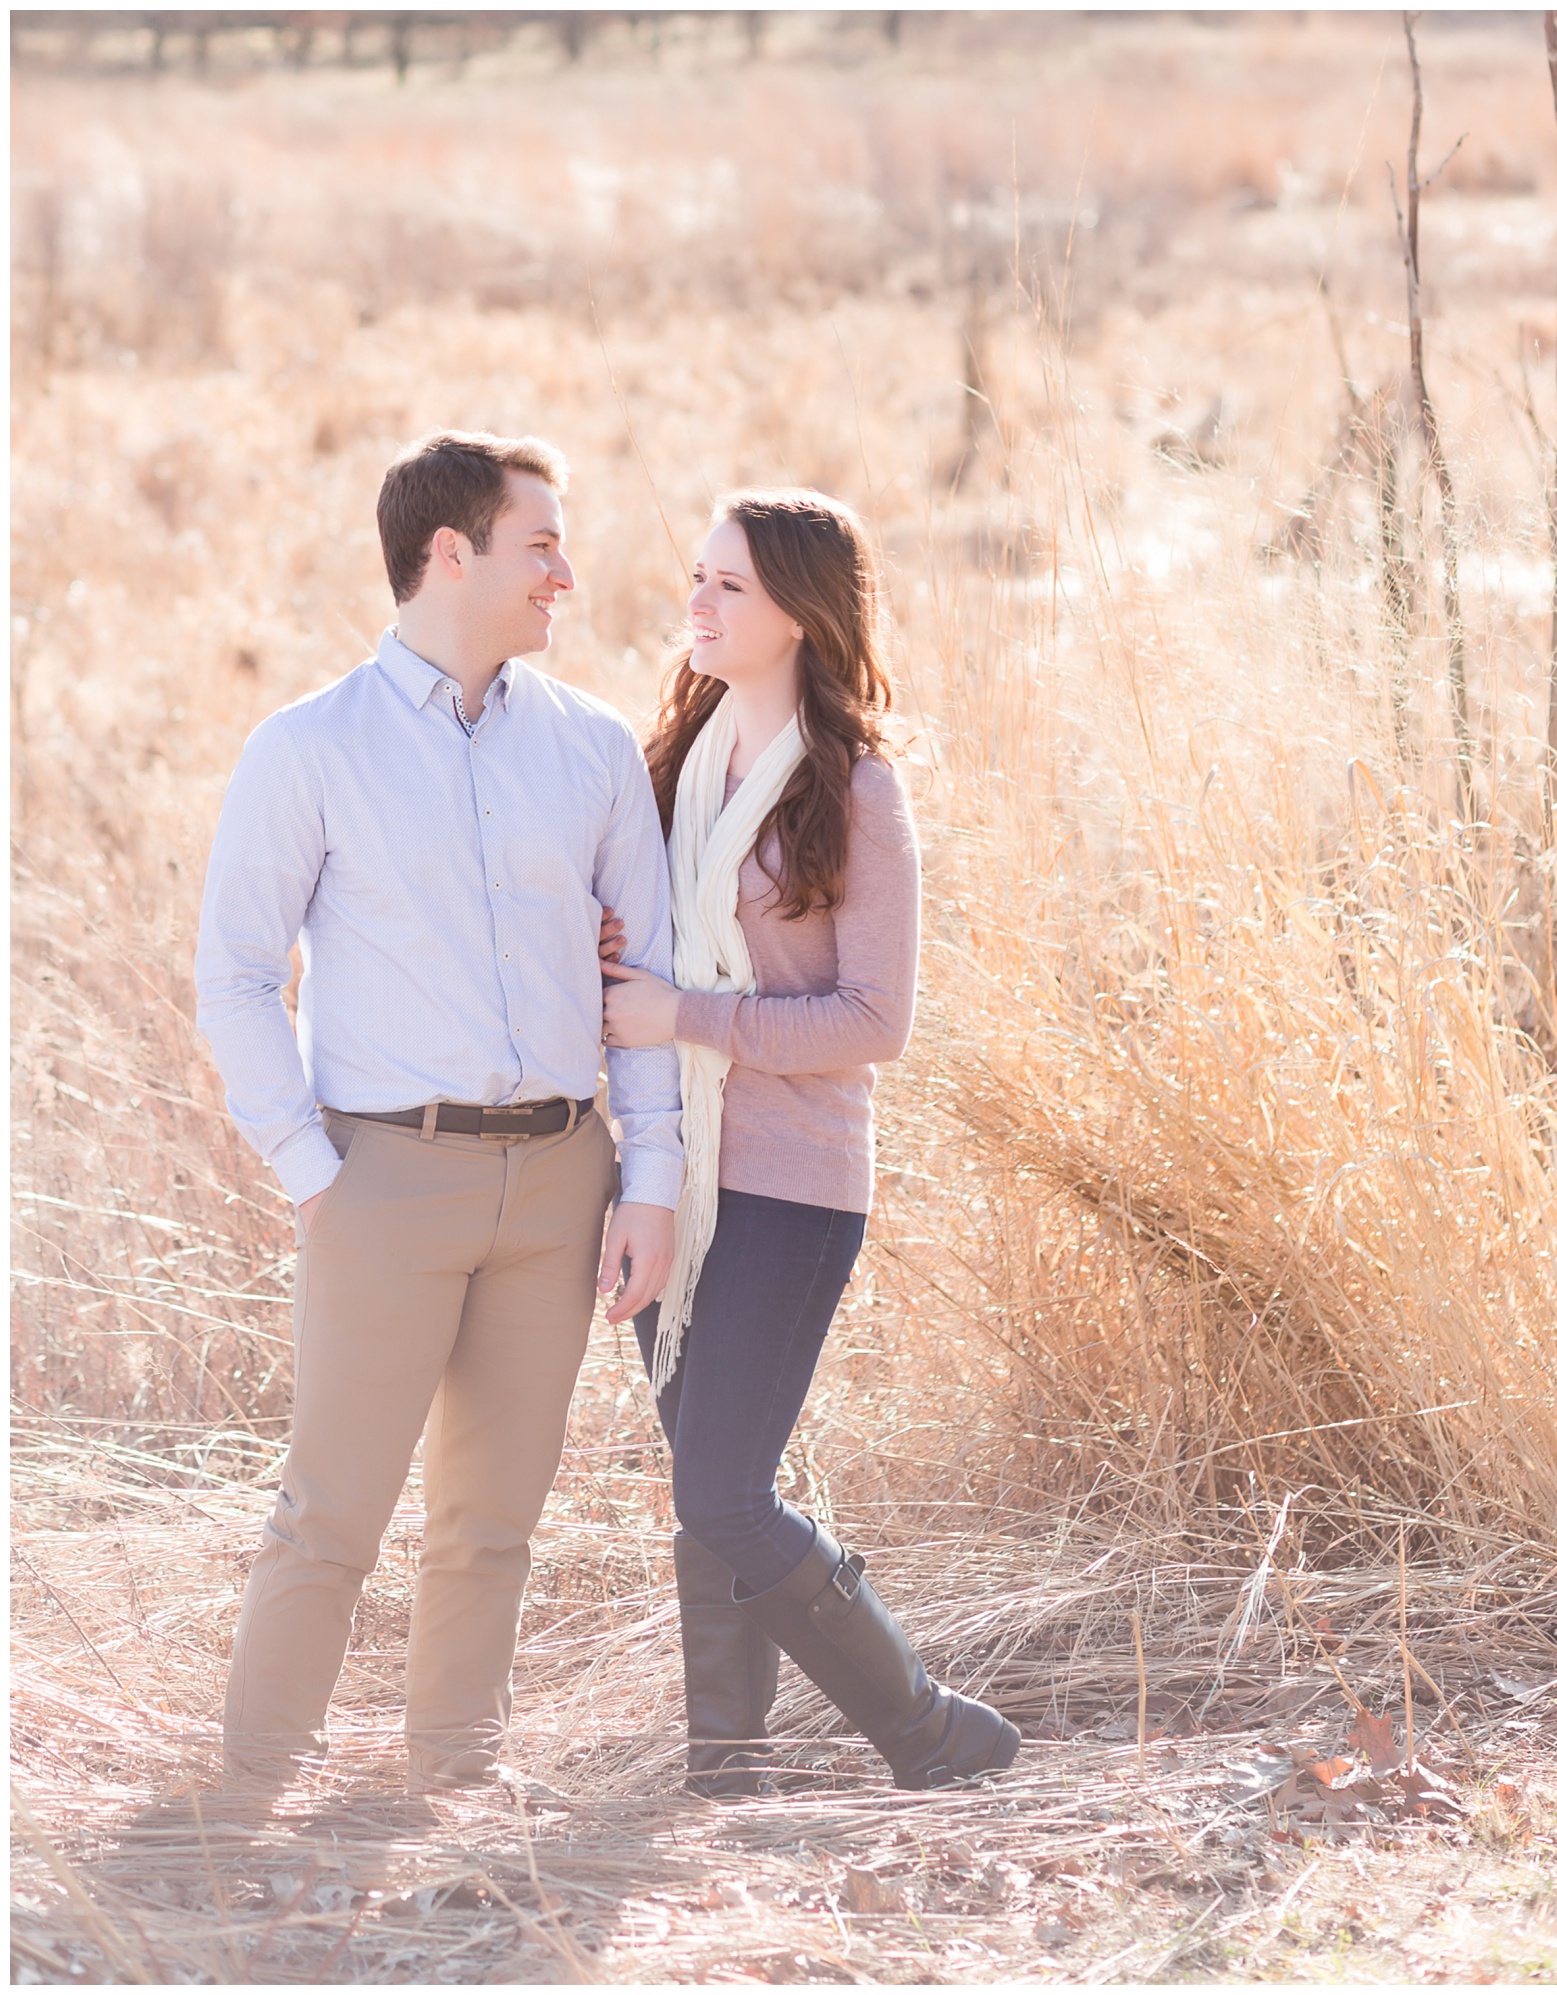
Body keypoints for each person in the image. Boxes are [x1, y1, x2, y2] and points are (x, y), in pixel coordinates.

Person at [194, 429, 681, 1794]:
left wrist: (646, 1178)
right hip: (382, 1181)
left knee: (493, 1523)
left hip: (560, 1181)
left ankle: (450, 1791)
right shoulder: (308, 749)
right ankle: (241, 1801)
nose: (566, 575)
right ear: (448, 554)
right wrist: (310, 1165)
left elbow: (640, 978)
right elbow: (233, 976)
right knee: (330, 1516)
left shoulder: (588, 748)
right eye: (541, 545)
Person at [600, 489, 1019, 1795]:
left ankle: (926, 1727)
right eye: (697, 578)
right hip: (668, 1169)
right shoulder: (672, 759)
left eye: (728, 585)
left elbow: (873, 1021)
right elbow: (636, 945)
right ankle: (726, 1761)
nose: (699, 604)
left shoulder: (857, 791)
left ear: (797, 611)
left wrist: (688, 1014)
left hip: (790, 1189)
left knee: (722, 1486)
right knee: (703, 1480)